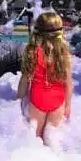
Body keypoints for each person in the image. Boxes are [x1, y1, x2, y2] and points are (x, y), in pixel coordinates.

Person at [16, 11, 74, 141]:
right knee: (52, 139)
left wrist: (17, 102)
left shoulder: (32, 52)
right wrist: (67, 105)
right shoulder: (63, 54)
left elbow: (24, 80)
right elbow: (69, 84)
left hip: (37, 100)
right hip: (57, 101)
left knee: (35, 139)